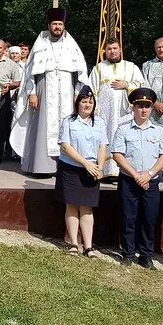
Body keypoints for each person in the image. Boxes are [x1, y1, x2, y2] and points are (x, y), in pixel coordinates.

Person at [11, 8, 89, 175]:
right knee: (43, 127)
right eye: (54, 24)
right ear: (49, 25)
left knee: (67, 126)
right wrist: (31, 92)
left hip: (67, 92)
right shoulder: (41, 44)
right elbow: (30, 72)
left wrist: (77, 92)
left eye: (60, 24)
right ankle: (42, 167)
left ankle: (66, 166)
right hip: (44, 90)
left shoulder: (71, 46)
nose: (57, 27)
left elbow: (80, 73)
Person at [110, 87, 163, 269]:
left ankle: (146, 255)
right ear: (133, 108)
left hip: (150, 182)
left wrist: (149, 174)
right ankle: (127, 253)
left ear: (151, 109)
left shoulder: (159, 131)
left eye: (147, 106)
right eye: (139, 106)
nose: (143, 110)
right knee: (128, 217)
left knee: (149, 219)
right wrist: (137, 175)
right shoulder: (123, 129)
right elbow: (117, 154)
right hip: (129, 180)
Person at [57, 85, 109, 258]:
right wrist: (86, 163)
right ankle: (73, 243)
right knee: (71, 205)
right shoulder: (68, 121)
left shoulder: (100, 122)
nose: (87, 105)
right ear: (77, 103)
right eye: (84, 101)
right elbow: (65, 146)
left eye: (90, 102)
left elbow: (103, 146)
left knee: (87, 208)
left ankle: (88, 246)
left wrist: (100, 167)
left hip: (92, 170)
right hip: (72, 168)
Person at [88, 38, 146, 177]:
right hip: (105, 113)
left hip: (124, 113)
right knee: (105, 137)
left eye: (115, 48)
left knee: (124, 137)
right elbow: (91, 89)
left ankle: (124, 171)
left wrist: (127, 85)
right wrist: (93, 110)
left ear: (120, 49)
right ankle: (106, 170)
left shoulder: (131, 67)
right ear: (105, 51)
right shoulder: (99, 68)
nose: (112, 51)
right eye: (109, 49)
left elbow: (143, 87)